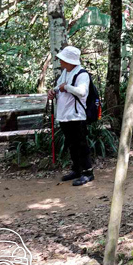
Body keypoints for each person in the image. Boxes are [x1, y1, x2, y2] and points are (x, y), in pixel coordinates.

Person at [47, 46, 93, 186]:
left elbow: (82, 92)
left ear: (70, 60)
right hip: (65, 116)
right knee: (72, 145)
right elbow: (59, 87)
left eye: (63, 59)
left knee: (81, 144)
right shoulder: (66, 72)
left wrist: (66, 87)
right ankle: (77, 170)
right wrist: (52, 92)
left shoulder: (82, 74)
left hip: (76, 116)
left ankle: (87, 172)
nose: (60, 62)